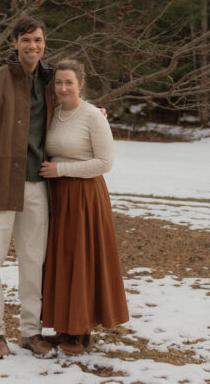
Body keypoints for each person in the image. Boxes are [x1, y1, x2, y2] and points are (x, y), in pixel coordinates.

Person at [0, 17, 56, 359]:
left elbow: (73, 103)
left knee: (33, 260)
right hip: (0, 184)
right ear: (15, 42)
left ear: (44, 43)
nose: (33, 46)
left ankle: (31, 331)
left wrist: (97, 113)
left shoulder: (49, 81)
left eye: (38, 39)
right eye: (26, 40)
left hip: (38, 185)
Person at [38, 59, 129, 355]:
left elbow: (105, 163)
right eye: (59, 82)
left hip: (86, 197)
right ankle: (64, 325)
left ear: (81, 85)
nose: (63, 88)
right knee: (62, 260)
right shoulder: (52, 114)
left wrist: (61, 169)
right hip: (59, 196)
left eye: (69, 83)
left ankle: (81, 330)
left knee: (83, 260)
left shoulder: (92, 116)